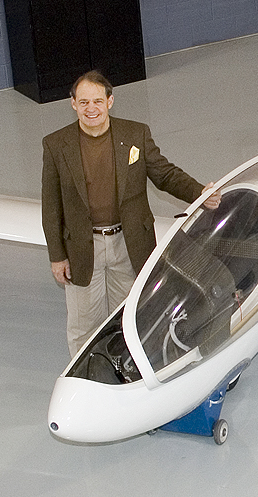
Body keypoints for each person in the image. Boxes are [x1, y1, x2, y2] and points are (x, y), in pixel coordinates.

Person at [40, 70, 215, 356]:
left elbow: (165, 175)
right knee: (84, 327)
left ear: (110, 101)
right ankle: (89, 381)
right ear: (73, 104)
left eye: (97, 101)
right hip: (82, 249)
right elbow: (51, 204)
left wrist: (198, 193)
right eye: (83, 102)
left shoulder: (135, 134)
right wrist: (57, 255)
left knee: (133, 318)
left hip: (129, 243)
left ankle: (130, 373)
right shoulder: (56, 144)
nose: (91, 109)